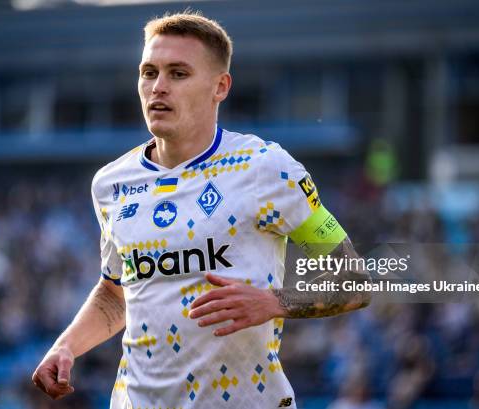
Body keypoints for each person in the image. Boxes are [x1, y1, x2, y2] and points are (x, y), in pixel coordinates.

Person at [32, 11, 371, 409]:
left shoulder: (266, 168)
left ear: (220, 86)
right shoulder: (112, 184)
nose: (158, 87)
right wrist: (66, 346)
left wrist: (273, 302)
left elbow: (354, 279)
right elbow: (115, 292)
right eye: (148, 72)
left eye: (178, 74)